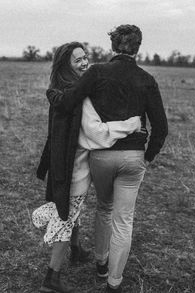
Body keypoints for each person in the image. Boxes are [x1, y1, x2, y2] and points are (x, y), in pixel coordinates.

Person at [47, 25, 168, 293]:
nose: (83, 62)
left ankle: (100, 264)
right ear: (138, 47)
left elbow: (68, 103)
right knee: (124, 220)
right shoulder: (147, 79)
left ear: (113, 46)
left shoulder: (97, 73)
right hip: (133, 156)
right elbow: (162, 127)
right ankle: (114, 281)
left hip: (101, 158)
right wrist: (147, 156)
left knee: (104, 207)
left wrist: (55, 95)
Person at [34, 42, 142, 293]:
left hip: (65, 166)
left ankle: (76, 249)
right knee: (65, 217)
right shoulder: (78, 95)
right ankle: (52, 277)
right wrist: (130, 124)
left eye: (85, 57)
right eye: (77, 60)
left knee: (72, 210)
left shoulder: (62, 89)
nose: (85, 63)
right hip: (75, 170)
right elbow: (97, 134)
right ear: (65, 66)